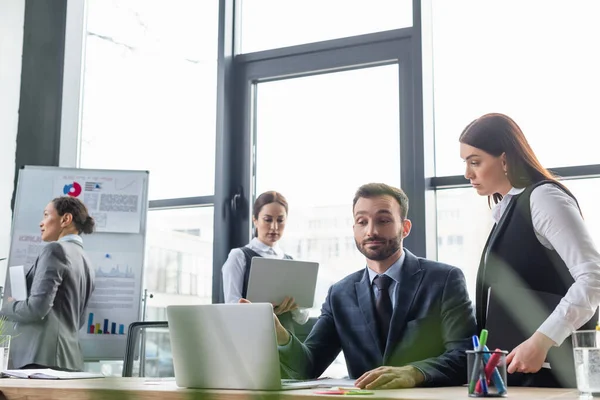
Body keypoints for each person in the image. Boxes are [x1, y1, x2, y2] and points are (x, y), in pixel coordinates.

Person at [261, 183, 476, 389]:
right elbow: (308, 367)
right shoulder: (340, 294)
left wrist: (414, 372)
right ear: (354, 228)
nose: (371, 231)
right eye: (362, 222)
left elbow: (464, 355)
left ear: (405, 227)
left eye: (383, 221)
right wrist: (281, 336)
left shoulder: (444, 279)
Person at [459, 113, 600, 387]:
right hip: (520, 374)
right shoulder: (506, 210)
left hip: (556, 376)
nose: (467, 174)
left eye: (475, 162)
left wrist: (542, 340)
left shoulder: (544, 198)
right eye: (465, 163)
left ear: (504, 159)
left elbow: (593, 278)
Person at [0, 196, 96, 371]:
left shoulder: (55, 249)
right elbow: (79, 320)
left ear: (66, 219)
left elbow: (37, 308)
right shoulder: (86, 260)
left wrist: (8, 307)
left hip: (41, 360)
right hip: (69, 360)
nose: (41, 223)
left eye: (46, 215)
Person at [222, 191, 309, 331]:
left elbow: (302, 319)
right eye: (268, 220)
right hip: (252, 337)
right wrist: (265, 311)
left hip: (287, 341)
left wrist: (294, 308)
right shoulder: (239, 256)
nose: (274, 227)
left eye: (280, 220)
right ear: (255, 220)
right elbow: (231, 309)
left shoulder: (291, 261)